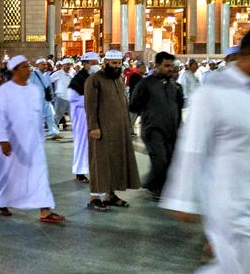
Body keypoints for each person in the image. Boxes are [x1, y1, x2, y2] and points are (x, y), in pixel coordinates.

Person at [161, 27, 250, 272]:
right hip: (233, 208)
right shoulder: (213, 93)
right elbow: (193, 149)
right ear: (247, 55)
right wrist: (184, 199)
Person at [0, 55, 65, 223]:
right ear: (15, 70)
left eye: (28, 66)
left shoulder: (33, 90)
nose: (28, 69)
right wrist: (2, 140)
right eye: (24, 66)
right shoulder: (5, 91)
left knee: (39, 173)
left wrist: (40, 136)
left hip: (32, 141)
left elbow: (37, 115)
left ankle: (45, 210)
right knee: (6, 173)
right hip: (11, 142)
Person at [84, 50, 141, 212]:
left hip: (118, 130)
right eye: (113, 63)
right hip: (101, 129)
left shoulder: (119, 80)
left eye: (118, 63)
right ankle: (94, 197)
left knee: (115, 161)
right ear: (105, 63)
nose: (116, 66)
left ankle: (110, 195)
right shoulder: (94, 80)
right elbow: (90, 106)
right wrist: (93, 126)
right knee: (99, 162)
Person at [129, 52, 183, 200]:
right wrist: (150, 112)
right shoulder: (146, 83)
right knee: (160, 160)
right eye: (166, 66)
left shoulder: (175, 86)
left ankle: (153, 183)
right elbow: (133, 105)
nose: (170, 69)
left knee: (171, 160)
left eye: (172, 66)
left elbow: (178, 107)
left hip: (171, 130)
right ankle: (155, 187)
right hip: (153, 130)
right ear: (157, 65)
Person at [68, 52, 100, 184]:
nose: (96, 66)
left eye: (96, 63)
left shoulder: (94, 77)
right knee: (82, 144)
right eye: (93, 63)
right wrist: (91, 100)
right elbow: (72, 98)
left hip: (92, 114)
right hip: (81, 115)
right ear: (86, 63)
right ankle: (79, 173)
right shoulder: (78, 79)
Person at [29, 58, 61, 140]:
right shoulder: (33, 74)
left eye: (45, 64)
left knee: (50, 116)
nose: (45, 66)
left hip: (46, 100)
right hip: (36, 100)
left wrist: (51, 97)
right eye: (43, 64)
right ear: (38, 65)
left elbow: (49, 87)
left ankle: (54, 132)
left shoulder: (47, 75)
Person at [50, 58, 74, 130]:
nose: (69, 66)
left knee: (73, 116)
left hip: (70, 98)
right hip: (61, 98)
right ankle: (53, 131)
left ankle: (77, 131)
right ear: (63, 65)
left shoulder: (71, 73)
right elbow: (49, 81)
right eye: (67, 65)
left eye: (70, 65)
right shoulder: (57, 73)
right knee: (57, 116)